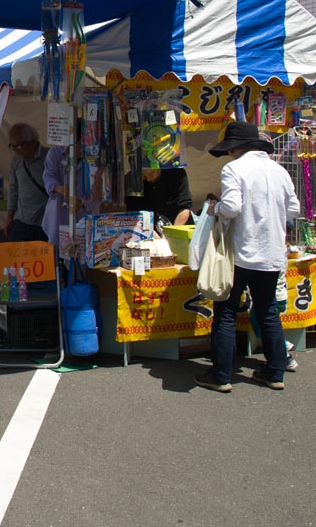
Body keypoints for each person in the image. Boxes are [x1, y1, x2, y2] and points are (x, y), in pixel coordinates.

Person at [194, 122, 299, 393]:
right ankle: (275, 372)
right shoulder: (280, 171)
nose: (228, 155)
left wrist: (215, 206)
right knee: (267, 311)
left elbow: (232, 206)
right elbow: (294, 209)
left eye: (229, 150)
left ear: (237, 148)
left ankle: (221, 375)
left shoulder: (234, 169)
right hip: (272, 253)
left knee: (226, 312)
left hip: (240, 254)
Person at [3, 122, 49, 242]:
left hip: (45, 223)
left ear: (32, 141)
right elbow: (13, 190)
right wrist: (9, 218)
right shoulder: (16, 161)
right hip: (22, 221)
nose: (17, 150)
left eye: (19, 145)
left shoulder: (49, 157)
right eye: (13, 146)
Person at [125, 167, 193, 228]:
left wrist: (173, 232)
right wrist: (158, 239)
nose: (148, 179)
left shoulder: (177, 174)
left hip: (178, 225)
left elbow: (185, 208)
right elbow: (137, 214)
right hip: (149, 230)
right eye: (144, 177)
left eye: (151, 173)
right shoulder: (131, 181)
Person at [41, 144, 70, 248]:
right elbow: (48, 177)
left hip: (82, 216)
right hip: (58, 214)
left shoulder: (91, 153)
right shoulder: (55, 152)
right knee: (57, 253)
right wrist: (57, 187)